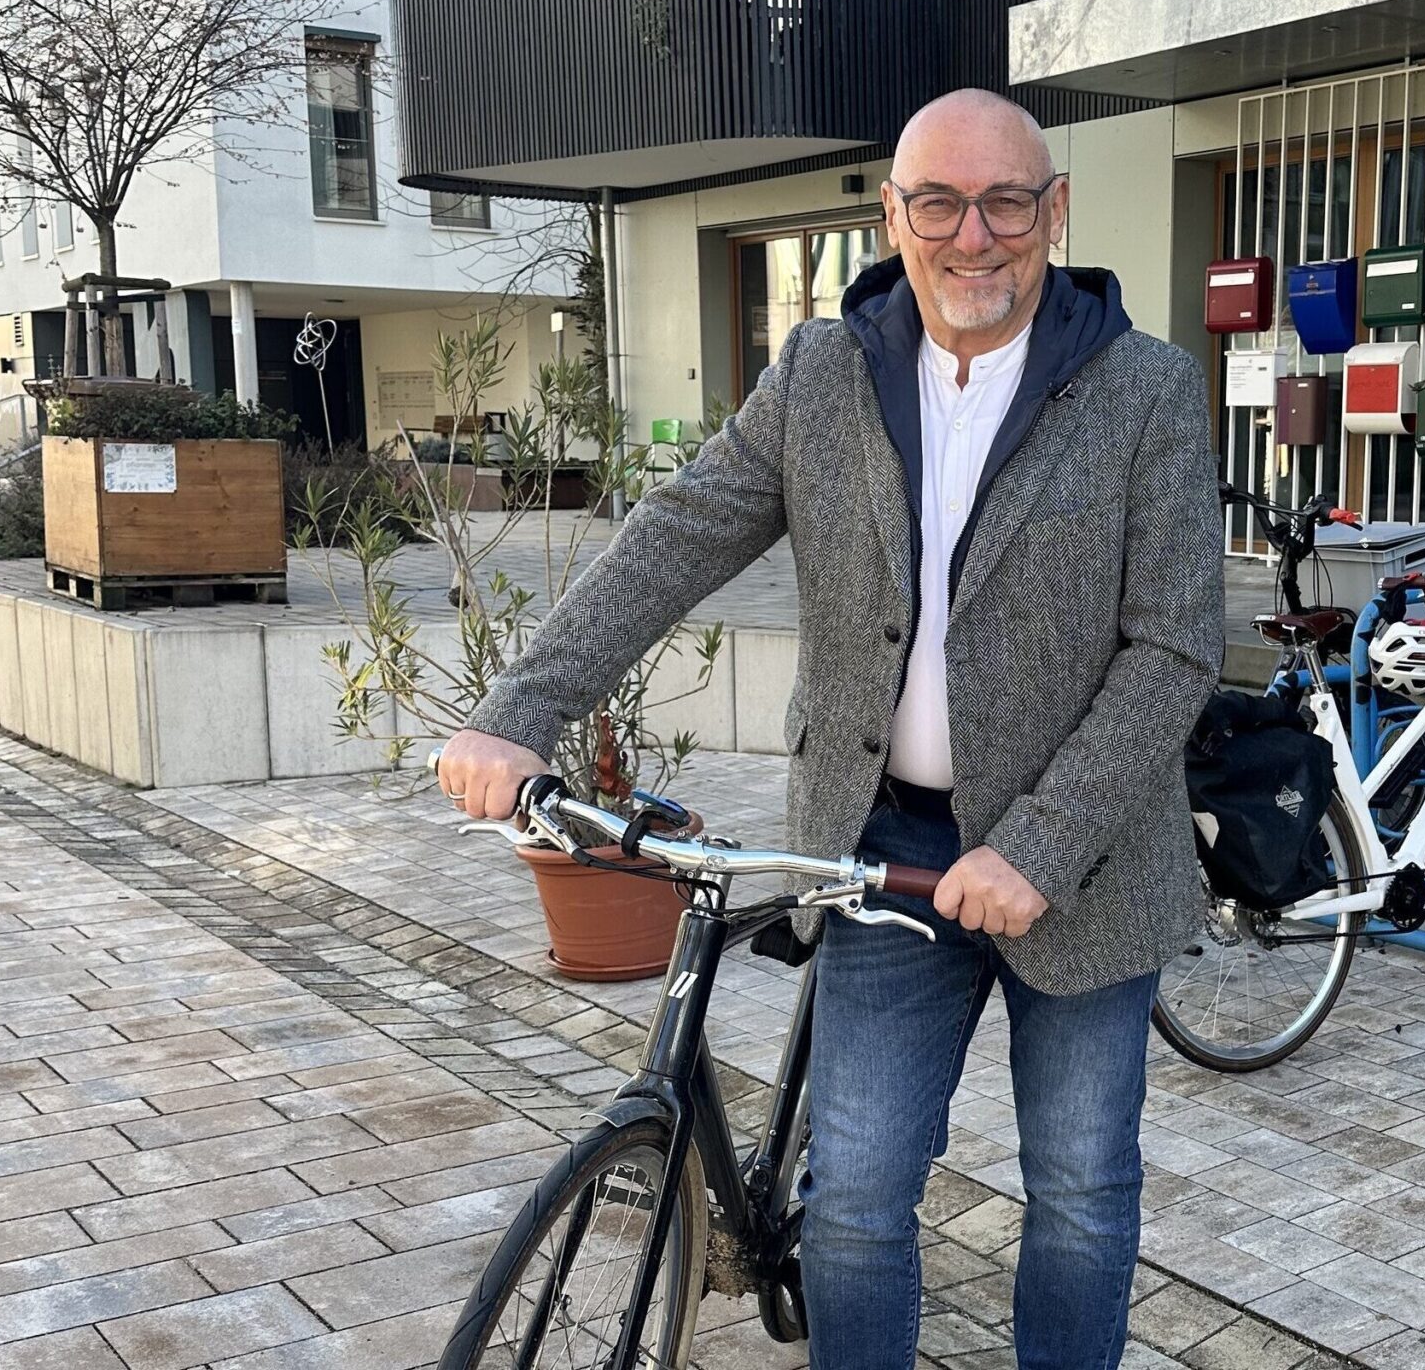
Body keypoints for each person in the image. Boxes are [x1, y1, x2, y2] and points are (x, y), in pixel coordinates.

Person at [437, 88, 1223, 1369]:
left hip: (1081, 872)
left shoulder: (1143, 390)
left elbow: (1176, 644)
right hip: (878, 853)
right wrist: (522, 710)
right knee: (854, 1203)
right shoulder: (821, 373)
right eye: (939, 204)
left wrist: (1039, 842)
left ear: (1056, 212)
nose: (975, 238)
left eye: (1007, 202)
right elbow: (677, 537)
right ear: (892, 215)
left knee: (1079, 1195)